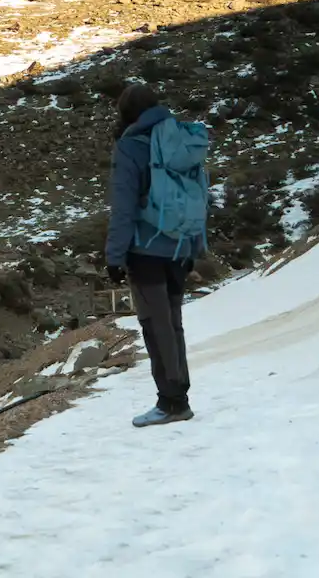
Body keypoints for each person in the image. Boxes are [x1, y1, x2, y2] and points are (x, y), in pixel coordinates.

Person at [104, 82, 208, 428]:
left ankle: (171, 403)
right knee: (173, 323)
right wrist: (195, 245)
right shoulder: (179, 139)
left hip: (145, 251)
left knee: (155, 324)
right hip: (180, 246)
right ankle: (180, 397)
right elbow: (198, 192)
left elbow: (123, 207)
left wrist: (114, 257)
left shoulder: (131, 147)